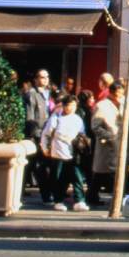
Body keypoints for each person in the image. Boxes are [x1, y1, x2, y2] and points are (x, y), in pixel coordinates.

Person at [40, 94, 88, 211]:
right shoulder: (55, 118)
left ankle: (79, 200)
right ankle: (58, 200)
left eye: (73, 105)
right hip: (59, 151)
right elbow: (45, 135)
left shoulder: (78, 119)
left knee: (77, 177)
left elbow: (82, 134)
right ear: (64, 106)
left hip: (74, 152)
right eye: (68, 105)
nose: (71, 108)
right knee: (59, 177)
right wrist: (45, 148)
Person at [87, 80, 123, 206]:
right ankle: (95, 196)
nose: (120, 96)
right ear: (112, 93)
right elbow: (95, 126)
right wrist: (110, 136)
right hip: (107, 144)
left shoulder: (122, 104)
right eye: (118, 94)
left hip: (118, 144)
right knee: (103, 171)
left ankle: (93, 195)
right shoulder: (102, 105)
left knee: (107, 172)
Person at [23, 69, 55, 204]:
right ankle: (46, 196)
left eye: (47, 77)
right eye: (42, 77)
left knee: (33, 166)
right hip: (37, 134)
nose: (45, 80)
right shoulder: (32, 93)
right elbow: (29, 116)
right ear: (36, 79)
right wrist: (34, 134)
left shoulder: (48, 94)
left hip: (48, 134)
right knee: (39, 166)